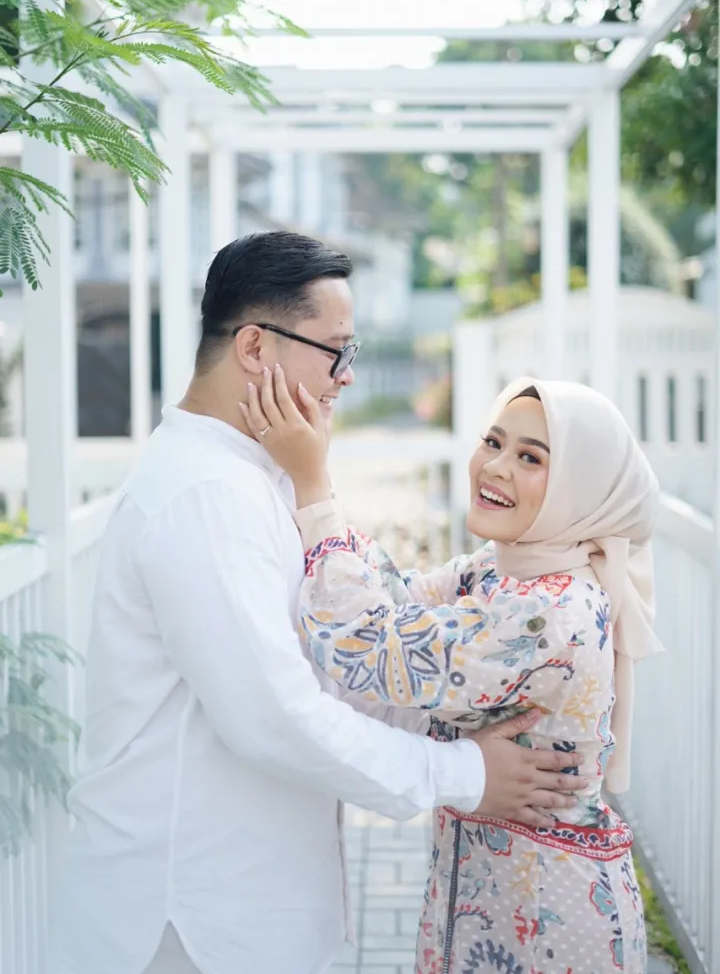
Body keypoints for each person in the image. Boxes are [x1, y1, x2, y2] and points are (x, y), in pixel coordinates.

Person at [47, 233, 586, 974]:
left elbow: (339, 648)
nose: (347, 375)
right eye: (335, 351)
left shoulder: (255, 475)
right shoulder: (205, 495)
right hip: (185, 917)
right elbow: (276, 717)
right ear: (254, 347)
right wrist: (463, 774)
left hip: (237, 903)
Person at [242, 367, 662, 974]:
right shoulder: (503, 569)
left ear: (582, 486)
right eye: (493, 443)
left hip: (547, 919)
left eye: (531, 457)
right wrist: (314, 477)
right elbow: (398, 602)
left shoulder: (552, 610)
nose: (496, 467)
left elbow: (368, 645)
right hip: (486, 895)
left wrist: (312, 486)